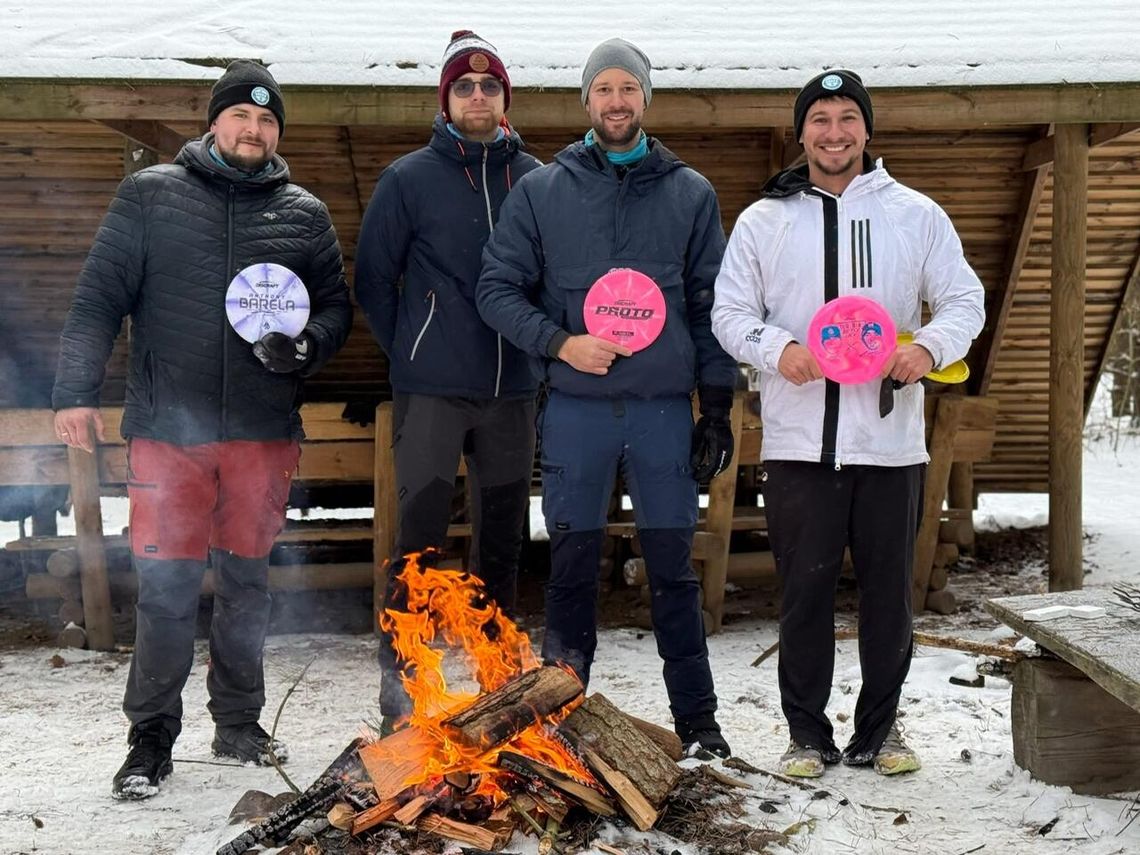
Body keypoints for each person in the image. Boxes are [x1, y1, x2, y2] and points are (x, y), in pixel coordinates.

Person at [52, 60, 353, 799]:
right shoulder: (150, 195)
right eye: (241, 116)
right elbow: (98, 299)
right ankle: (150, 736)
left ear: (277, 131)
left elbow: (337, 311)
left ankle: (241, 723)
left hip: (261, 430)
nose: (253, 130)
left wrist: (306, 343)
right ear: (214, 121)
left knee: (248, 583)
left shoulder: (304, 213)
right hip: (169, 432)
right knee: (166, 587)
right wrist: (74, 392)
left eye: (267, 120)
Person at [711, 69, 985, 777]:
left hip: (890, 446)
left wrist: (926, 348)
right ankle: (806, 735)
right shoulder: (764, 221)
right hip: (801, 443)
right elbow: (729, 313)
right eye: (821, 120)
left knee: (889, 597)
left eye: (847, 119)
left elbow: (964, 300)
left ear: (867, 129)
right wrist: (781, 349)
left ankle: (882, 731)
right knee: (803, 591)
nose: (835, 133)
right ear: (800, 133)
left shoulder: (916, 215)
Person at [476, 38, 737, 759]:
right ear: (585, 101)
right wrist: (560, 343)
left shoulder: (689, 192)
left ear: (645, 99)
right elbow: (495, 288)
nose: (616, 100)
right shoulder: (543, 191)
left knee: (673, 571)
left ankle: (700, 724)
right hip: (577, 411)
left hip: (660, 412)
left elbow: (713, 304)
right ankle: (560, 717)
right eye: (604, 89)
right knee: (569, 567)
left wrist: (714, 407)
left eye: (629, 88)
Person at [354, 30, 542, 731]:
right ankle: (402, 693)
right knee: (418, 543)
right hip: (431, 390)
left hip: (512, 388)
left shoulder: (536, 177)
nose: (477, 95)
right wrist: (412, 349)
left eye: (489, 85)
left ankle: (498, 682)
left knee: (503, 537)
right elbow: (374, 277)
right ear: (445, 99)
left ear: (504, 97)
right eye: (463, 86)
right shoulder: (409, 178)